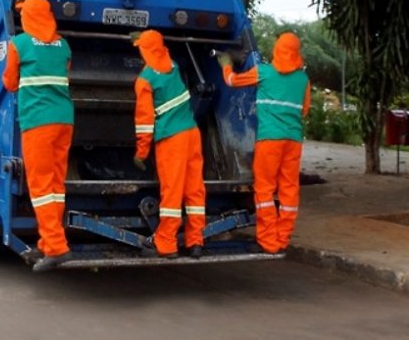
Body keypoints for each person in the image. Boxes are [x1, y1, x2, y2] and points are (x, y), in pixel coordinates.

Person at [217, 32, 311, 254]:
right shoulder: (303, 80)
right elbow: (304, 111)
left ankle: (268, 240)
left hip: (269, 140)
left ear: (277, 50)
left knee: (264, 188)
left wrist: (226, 64)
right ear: (296, 54)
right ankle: (282, 238)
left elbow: (232, 82)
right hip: (293, 141)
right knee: (289, 190)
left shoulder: (264, 73)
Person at [2, 0, 74, 272]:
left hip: (38, 122)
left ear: (28, 17)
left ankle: (56, 248)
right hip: (64, 120)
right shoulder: (64, 45)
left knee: (41, 187)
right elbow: (65, 74)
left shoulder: (18, 44)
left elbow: (9, 82)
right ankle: (47, 241)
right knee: (55, 185)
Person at [131, 30, 206, 258]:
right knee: (194, 190)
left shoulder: (145, 80)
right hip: (192, 133)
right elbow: (158, 49)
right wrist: (145, 39)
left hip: (172, 139)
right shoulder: (172, 66)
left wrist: (141, 153)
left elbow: (144, 122)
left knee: (171, 192)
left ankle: (166, 244)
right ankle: (195, 241)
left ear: (144, 52)